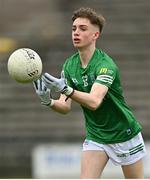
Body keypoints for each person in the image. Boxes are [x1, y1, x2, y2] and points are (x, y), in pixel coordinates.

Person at [33, 7, 147, 179]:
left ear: (95, 35)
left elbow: (94, 102)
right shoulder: (69, 65)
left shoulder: (105, 65)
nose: (76, 33)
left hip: (124, 133)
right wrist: (48, 101)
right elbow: (65, 106)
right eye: (74, 28)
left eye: (83, 29)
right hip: (96, 135)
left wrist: (66, 89)